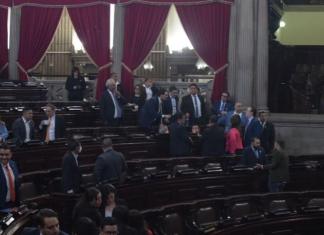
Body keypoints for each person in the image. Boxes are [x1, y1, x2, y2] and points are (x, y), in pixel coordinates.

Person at [0, 144, 19, 210]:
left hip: (13, 204)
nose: (4, 157)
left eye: (7, 155)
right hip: (1, 206)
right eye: (1, 155)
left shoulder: (13, 164)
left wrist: (16, 204)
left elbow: (16, 184)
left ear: (11, 155)